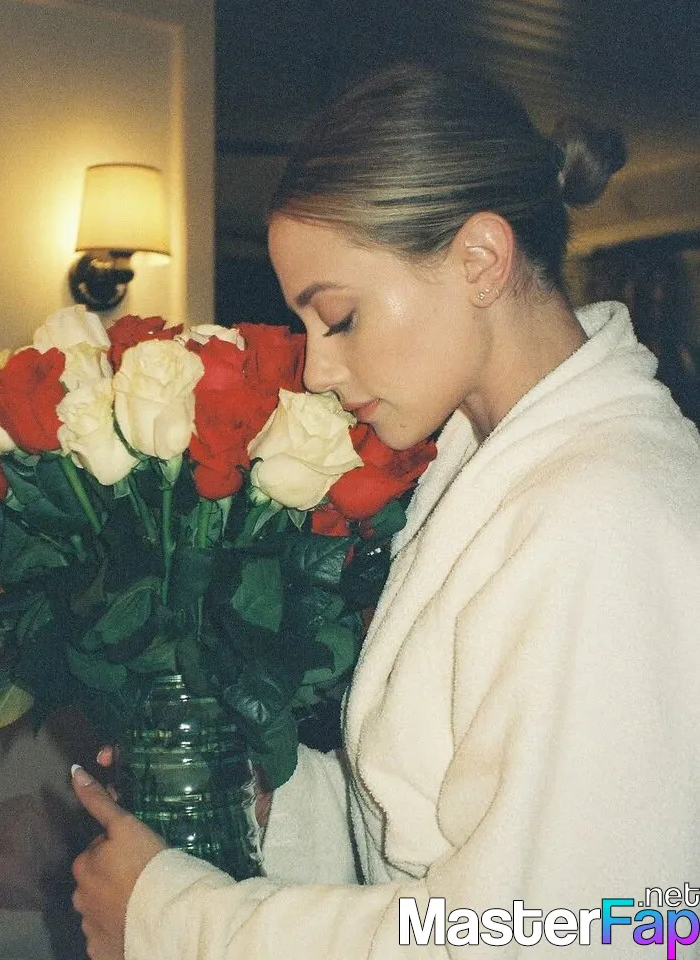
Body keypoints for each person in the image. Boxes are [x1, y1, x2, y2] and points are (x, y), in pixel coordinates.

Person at [70, 64, 700, 958]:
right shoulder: (496, 471)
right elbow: (436, 828)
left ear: (480, 260)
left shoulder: (608, 518)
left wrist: (175, 920)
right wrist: (270, 802)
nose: (318, 369)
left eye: (340, 317)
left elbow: (586, 931)